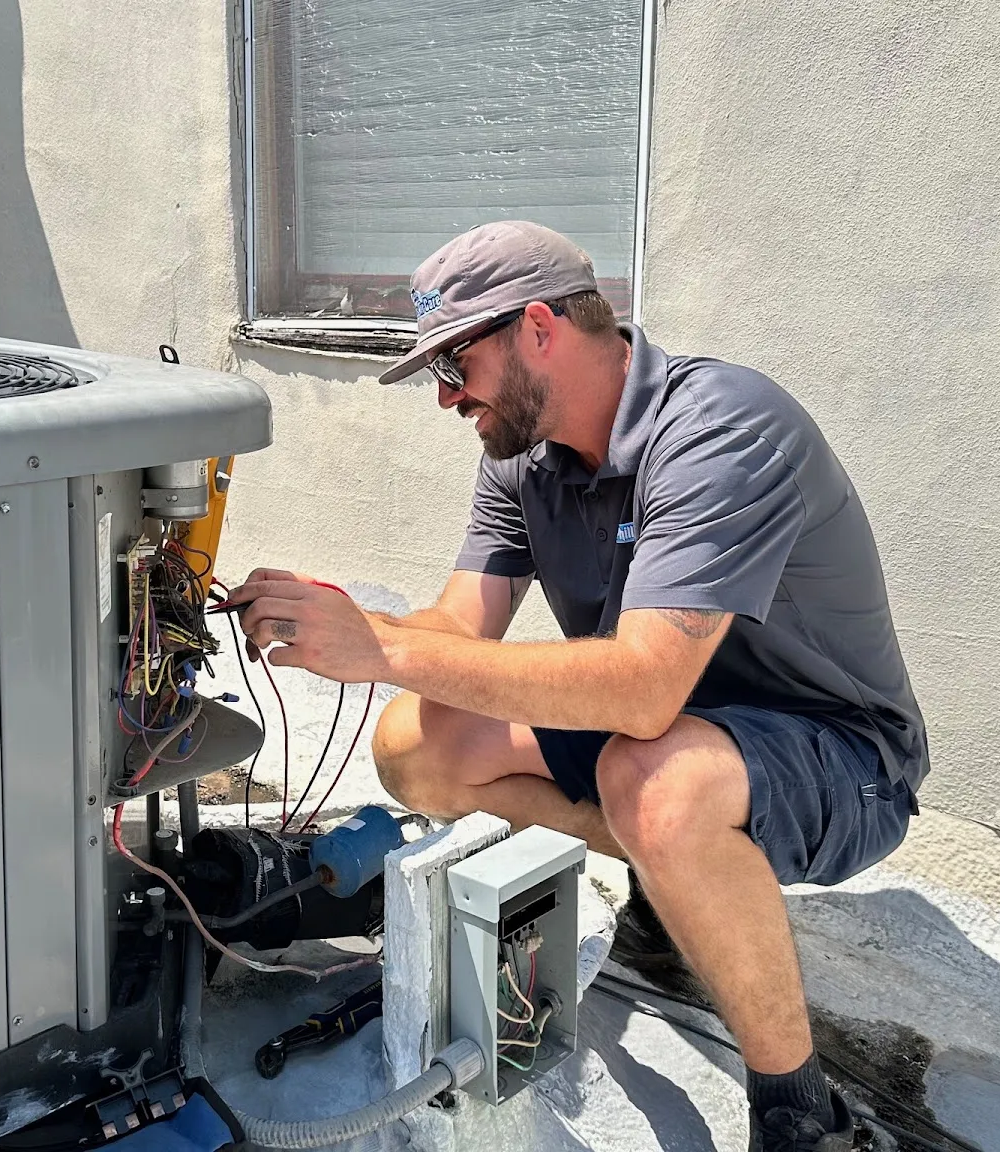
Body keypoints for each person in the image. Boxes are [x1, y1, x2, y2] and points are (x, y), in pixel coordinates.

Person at [234, 220, 928, 1152]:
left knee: (658, 784)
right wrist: (338, 621)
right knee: (419, 743)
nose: (446, 397)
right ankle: (678, 881)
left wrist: (385, 650)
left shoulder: (720, 428)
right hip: (670, 732)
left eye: (455, 365)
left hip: (841, 756)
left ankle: (799, 1111)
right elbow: (459, 631)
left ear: (538, 328)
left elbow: (641, 691)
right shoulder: (523, 460)